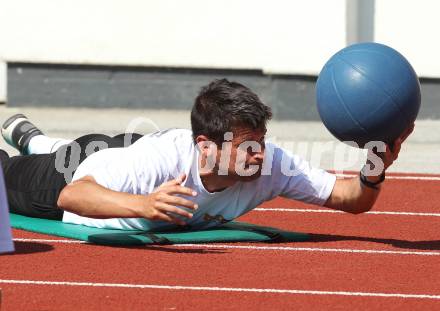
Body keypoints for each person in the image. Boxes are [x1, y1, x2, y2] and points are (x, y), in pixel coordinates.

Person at [0, 79, 413, 231]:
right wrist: (144, 204)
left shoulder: (269, 163)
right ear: (207, 147)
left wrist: (374, 169)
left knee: (82, 149)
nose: (258, 154)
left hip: (120, 151)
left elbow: (351, 200)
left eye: (261, 141)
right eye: (246, 146)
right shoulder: (155, 165)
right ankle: (34, 146)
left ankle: (34, 137)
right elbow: (72, 196)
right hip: (74, 174)